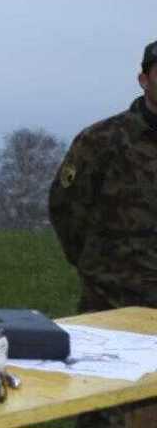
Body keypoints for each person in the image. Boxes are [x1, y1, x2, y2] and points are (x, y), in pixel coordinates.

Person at [49, 39, 157, 428]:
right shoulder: (103, 140)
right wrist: (96, 266)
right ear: (144, 79)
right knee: (103, 404)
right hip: (113, 299)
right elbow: (66, 207)